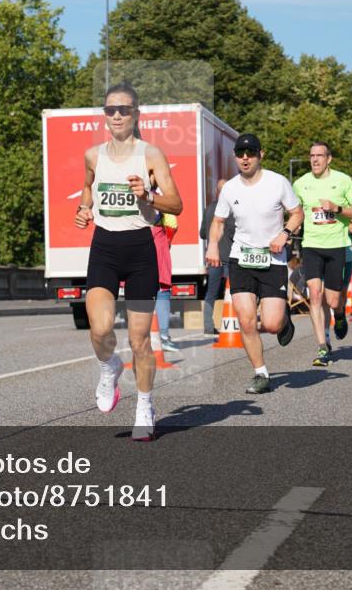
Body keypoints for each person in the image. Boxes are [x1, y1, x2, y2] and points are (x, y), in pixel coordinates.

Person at [75, 82, 182, 442]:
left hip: (140, 250)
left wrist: (148, 195)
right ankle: (109, 367)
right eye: (111, 110)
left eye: (124, 109)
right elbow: (87, 188)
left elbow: (176, 204)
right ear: (104, 115)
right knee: (100, 328)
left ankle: (145, 407)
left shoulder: (151, 155)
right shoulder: (93, 155)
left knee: (139, 341)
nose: (117, 115)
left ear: (136, 113)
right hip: (104, 247)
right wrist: (84, 209)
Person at [206, 133, 303, 394]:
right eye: (240, 153)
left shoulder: (278, 182)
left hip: (273, 259)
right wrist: (213, 244)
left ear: (261, 155)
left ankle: (283, 320)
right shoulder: (230, 188)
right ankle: (261, 373)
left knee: (271, 324)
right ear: (235, 157)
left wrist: (284, 233)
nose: (245, 158)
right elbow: (218, 221)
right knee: (246, 321)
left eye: (250, 153)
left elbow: (297, 213)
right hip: (241, 258)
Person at [292, 142, 352, 367]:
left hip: (336, 246)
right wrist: (289, 229)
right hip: (311, 245)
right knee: (314, 294)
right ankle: (322, 346)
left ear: (328, 159)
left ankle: (339, 315)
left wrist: (337, 208)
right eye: (311, 155)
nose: (315, 160)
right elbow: (295, 212)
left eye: (319, 156)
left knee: (332, 300)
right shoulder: (300, 184)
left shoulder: (343, 180)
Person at [323, 217, 352, 349]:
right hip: (319, 251)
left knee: (340, 296)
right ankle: (325, 339)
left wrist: (336, 221)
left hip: (345, 254)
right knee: (322, 296)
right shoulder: (311, 204)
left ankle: (339, 316)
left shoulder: (345, 206)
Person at [200, 179, 235, 335]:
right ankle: (233, 323)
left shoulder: (208, 209)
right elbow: (235, 232)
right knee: (233, 292)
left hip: (213, 258)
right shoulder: (231, 209)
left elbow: (202, 233)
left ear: (216, 192)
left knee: (211, 293)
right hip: (229, 257)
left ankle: (208, 326)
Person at [153, 212, 178, 353]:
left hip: (133, 240)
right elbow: (172, 222)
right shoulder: (158, 201)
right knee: (162, 289)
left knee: (138, 289)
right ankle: (162, 337)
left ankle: (140, 338)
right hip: (157, 238)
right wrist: (168, 238)